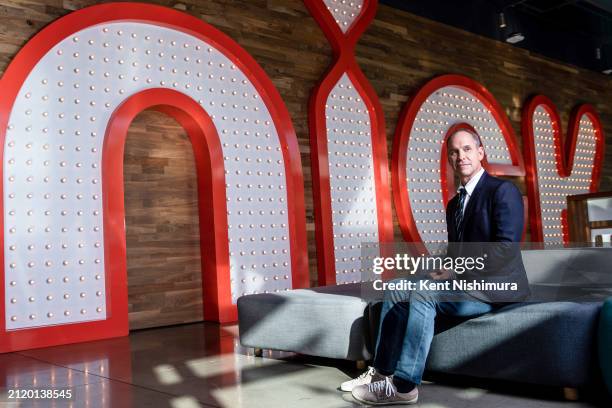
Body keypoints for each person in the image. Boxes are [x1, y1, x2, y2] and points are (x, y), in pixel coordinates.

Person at [341, 128, 530, 405]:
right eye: (454, 152)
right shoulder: (454, 204)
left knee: (425, 293)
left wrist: (454, 271)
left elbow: (505, 248)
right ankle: (381, 376)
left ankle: (404, 387)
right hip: (464, 280)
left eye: (467, 149)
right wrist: (437, 268)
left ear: (480, 153)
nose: (460, 156)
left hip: (496, 287)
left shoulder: (502, 191)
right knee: (396, 287)